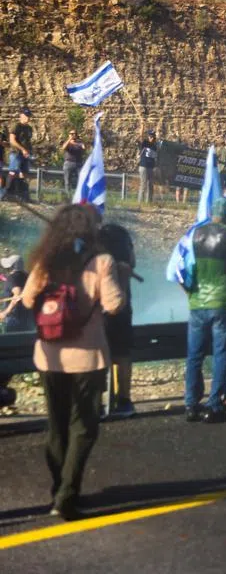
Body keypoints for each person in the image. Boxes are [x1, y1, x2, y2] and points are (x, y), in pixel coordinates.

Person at [21, 204, 124, 520]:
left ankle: (58, 490)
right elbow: (115, 305)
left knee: (57, 424)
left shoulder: (46, 261)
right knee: (84, 427)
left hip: (50, 356)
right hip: (88, 356)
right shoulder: (101, 261)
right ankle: (67, 494)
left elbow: (26, 300)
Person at [183, 197, 226, 423]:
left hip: (197, 301)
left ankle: (190, 404)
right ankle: (214, 404)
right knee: (222, 354)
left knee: (194, 356)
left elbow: (184, 266)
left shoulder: (195, 233)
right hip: (222, 302)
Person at [99, 223, 137, 419]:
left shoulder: (98, 258)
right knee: (122, 355)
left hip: (101, 313)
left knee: (100, 356)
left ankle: (96, 402)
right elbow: (132, 261)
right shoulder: (123, 258)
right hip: (121, 312)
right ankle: (124, 400)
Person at [7, 107, 34, 202]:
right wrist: (22, 149)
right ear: (21, 115)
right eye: (26, 115)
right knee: (13, 172)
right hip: (16, 153)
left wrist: (29, 152)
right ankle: (8, 194)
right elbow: (12, 140)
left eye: (29, 116)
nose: (28, 118)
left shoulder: (29, 128)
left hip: (26, 154)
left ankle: (23, 196)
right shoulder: (16, 126)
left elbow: (28, 141)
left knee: (24, 174)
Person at [137, 128, 158, 204]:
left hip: (151, 167)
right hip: (144, 166)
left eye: (153, 136)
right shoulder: (144, 143)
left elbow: (155, 158)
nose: (152, 138)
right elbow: (140, 137)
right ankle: (140, 202)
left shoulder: (155, 146)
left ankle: (149, 202)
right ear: (148, 137)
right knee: (143, 184)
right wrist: (142, 127)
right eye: (150, 136)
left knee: (151, 185)